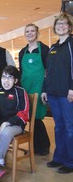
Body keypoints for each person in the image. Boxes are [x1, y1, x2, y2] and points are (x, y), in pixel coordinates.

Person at [0, 65, 29, 182]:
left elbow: (24, 113)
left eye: (10, 78)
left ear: (15, 80)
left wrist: (7, 123)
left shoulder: (21, 92)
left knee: (6, 132)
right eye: (4, 77)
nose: (6, 81)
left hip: (16, 125)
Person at [41, 13, 73, 174]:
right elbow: (48, 72)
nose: (61, 26)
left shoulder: (71, 44)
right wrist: (44, 89)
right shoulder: (54, 47)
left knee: (69, 127)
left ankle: (70, 161)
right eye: (58, 23)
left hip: (67, 94)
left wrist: (72, 89)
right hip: (53, 93)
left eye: (64, 23)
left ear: (69, 26)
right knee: (59, 127)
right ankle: (59, 158)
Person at [19, 23, 50, 156]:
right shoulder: (22, 52)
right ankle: (35, 147)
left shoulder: (44, 49)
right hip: (26, 87)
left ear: (37, 33)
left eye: (32, 31)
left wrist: (45, 89)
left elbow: (48, 71)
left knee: (36, 118)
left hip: (39, 88)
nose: (30, 33)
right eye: (27, 31)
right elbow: (21, 72)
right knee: (29, 118)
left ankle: (43, 146)